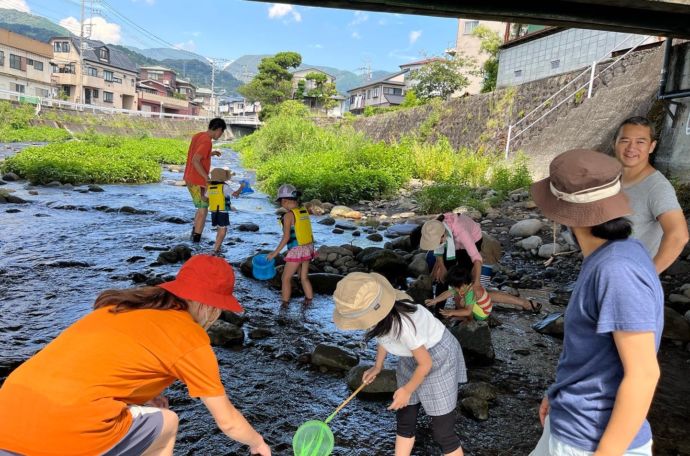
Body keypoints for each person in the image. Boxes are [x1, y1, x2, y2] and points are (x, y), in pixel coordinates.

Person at [0, 255, 271, 456]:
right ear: (208, 305)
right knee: (167, 422)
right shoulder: (189, 336)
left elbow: (93, 370)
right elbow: (227, 421)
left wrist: (144, 398)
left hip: (8, 415)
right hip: (64, 433)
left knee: (152, 410)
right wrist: (257, 443)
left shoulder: (122, 307)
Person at [529, 149, 663, 456]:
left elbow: (644, 374)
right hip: (572, 420)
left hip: (589, 441)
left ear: (562, 215)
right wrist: (559, 391)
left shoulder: (616, 270)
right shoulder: (617, 252)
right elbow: (595, 352)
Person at [333, 272, 466, 456]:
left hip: (437, 357)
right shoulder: (381, 316)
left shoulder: (404, 325)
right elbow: (383, 337)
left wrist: (407, 390)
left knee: (442, 432)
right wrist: (378, 366)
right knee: (405, 420)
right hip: (412, 355)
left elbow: (425, 364)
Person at [614, 116, 688, 273]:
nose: (631, 148)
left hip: (630, 282)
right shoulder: (612, 180)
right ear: (615, 143)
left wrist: (648, 276)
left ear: (651, 146)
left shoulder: (657, 187)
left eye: (640, 142)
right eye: (625, 140)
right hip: (604, 275)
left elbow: (678, 235)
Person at [425, 264, 541, 320]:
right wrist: (435, 300)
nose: (457, 289)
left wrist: (452, 313)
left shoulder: (470, 292)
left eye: (458, 287)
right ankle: (465, 318)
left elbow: (467, 310)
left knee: (463, 303)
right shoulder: (463, 286)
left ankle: (469, 321)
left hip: (483, 313)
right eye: (455, 287)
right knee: (458, 298)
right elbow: (447, 293)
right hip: (483, 305)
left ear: (466, 283)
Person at [266, 184, 315, 306]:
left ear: (284, 201)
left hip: (297, 250)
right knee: (304, 277)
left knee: (285, 278)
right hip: (308, 247)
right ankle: (309, 301)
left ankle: (284, 304)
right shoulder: (303, 211)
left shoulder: (288, 216)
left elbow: (286, 237)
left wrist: (274, 253)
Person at [183, 118, 227, 243]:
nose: (221, 135)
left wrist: (211, 153)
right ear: (218, 129)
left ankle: (193, 234)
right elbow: (195, 160)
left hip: (189, 177)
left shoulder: (199, 136)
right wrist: (206, 178)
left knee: (200, 208)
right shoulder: (207, 141)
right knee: (203, 209)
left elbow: (196, 153)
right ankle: (196, 240)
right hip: (197, 180)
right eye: (221, 132)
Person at [206, 167, 246, 255]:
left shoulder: (211, 187)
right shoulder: (224, 187)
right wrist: (241, 187)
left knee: (219, 230)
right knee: (223, 232)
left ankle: (217, 247)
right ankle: (215, 250)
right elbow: (235, 194)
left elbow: (206, 197)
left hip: (213, 211)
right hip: (222, 212)